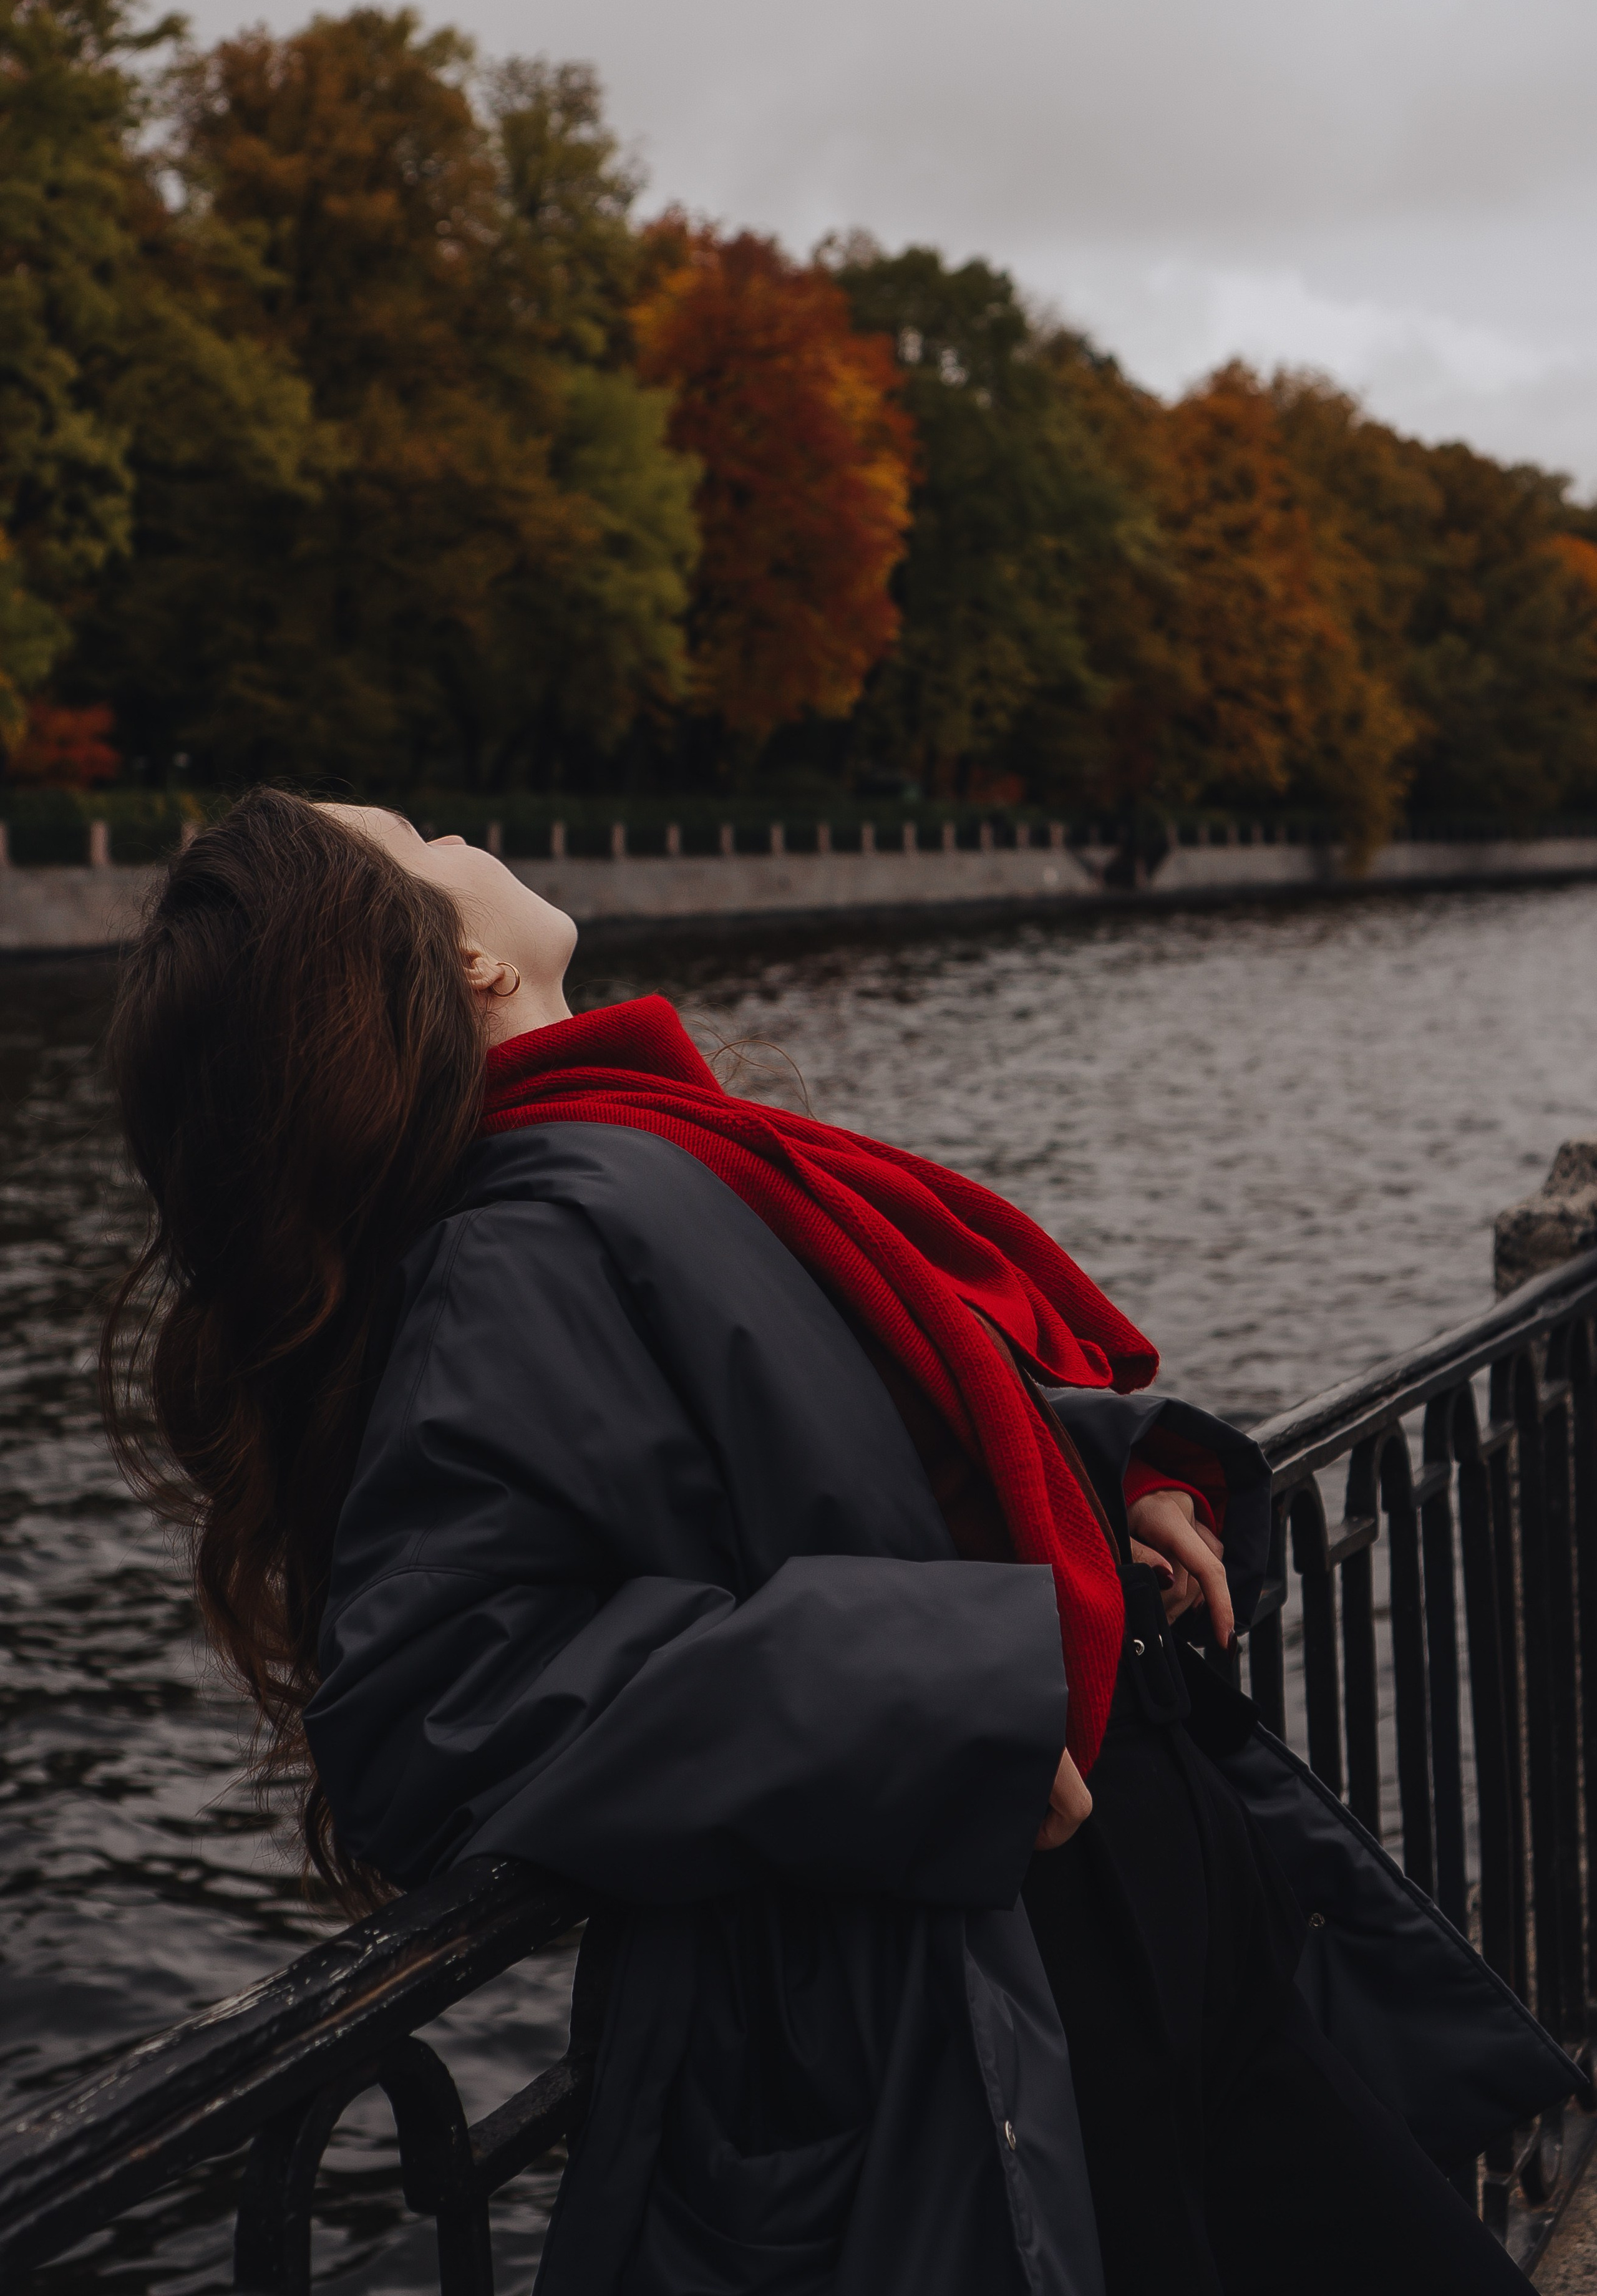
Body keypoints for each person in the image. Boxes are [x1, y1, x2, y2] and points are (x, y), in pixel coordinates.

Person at [101, 789, 1555, 2296]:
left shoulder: (623, 1151)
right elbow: (434, 1703)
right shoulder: (515, 1242)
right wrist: (920, 1703)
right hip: (1008, 1957)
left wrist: (1097, 1474)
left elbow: (851, 1433)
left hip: (1139, 1886)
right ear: (463, 956)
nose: (466, 838)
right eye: (420, 837)